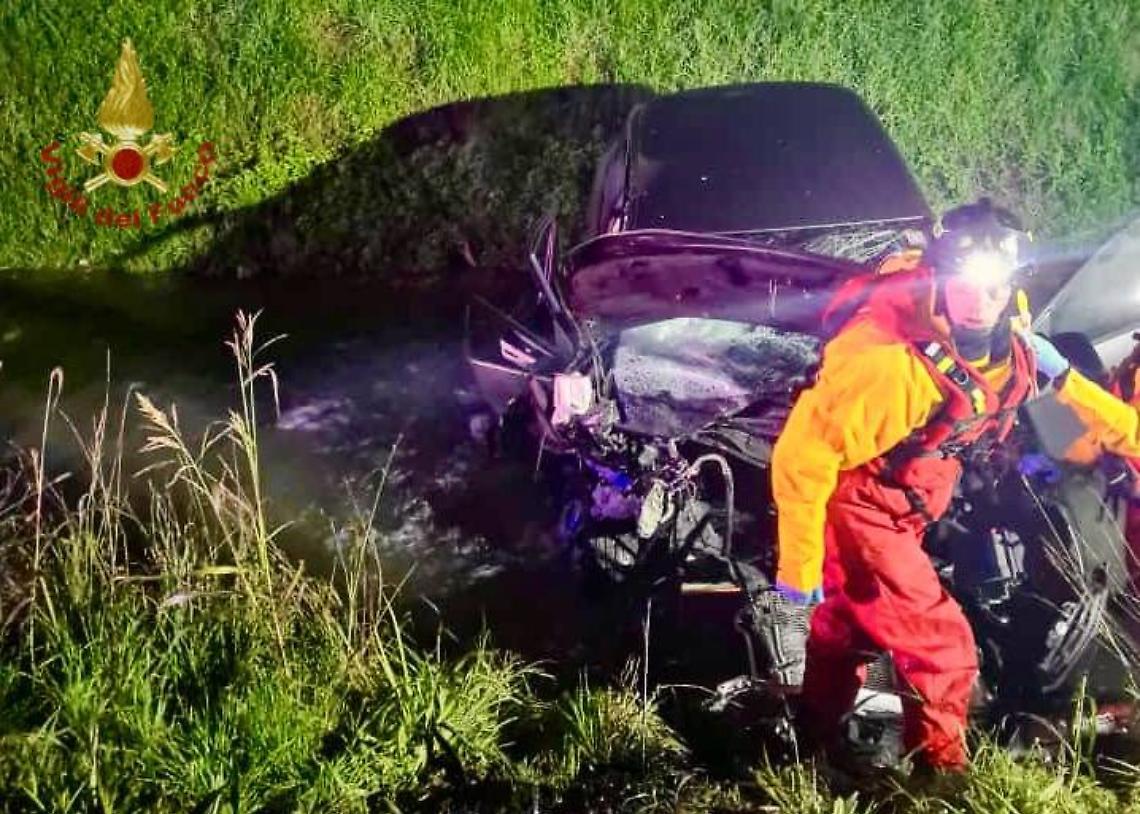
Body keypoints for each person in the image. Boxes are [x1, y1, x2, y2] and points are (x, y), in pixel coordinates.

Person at [769, 198, 1140, 773]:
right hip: (866, 511)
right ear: (941, 276)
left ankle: (807, 740)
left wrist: (1095, 412)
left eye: (995, 289)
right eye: (964, 286)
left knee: (848, 632)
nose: (979, 302)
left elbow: (1060, 394)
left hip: (909, 506)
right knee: (942, 647)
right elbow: (804, 455)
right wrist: (798, 572)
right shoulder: (891, 367)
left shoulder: (1007, 330)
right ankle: (939, 782)